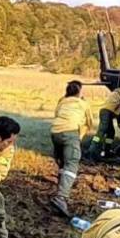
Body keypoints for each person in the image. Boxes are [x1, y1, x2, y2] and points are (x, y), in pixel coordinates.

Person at [48, 81, 94, 217]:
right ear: (79, 92)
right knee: (72, 162)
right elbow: (89, 123)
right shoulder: (83, 104)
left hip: (55, 132)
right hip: (70, 131)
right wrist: (79, 137)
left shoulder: (62, 101)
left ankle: (61, 187)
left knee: (63, 162)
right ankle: (61, 197)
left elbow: (56, 115)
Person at [87, 86, 120, 160]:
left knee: (111, 132)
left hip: (107, 112)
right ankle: (92, 150)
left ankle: (107, 151)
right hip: (106, 112)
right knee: (101, 131)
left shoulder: (116, 93)